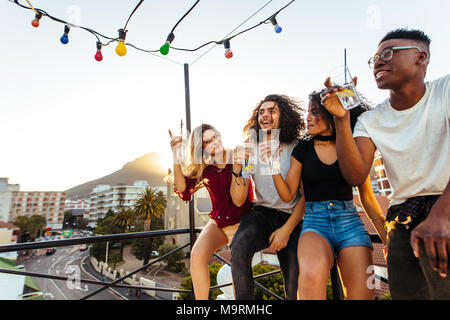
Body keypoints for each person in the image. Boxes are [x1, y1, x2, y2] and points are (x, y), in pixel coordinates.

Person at [321, 28, 450, 299]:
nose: (378, 61)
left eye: (388, 53)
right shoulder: (371, 120)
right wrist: (341, 119)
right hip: (402, 218)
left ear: (420, 56)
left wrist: (442, 213)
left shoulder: (445, 90)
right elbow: (356, 175)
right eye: (375, 58)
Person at [270, 91, 387, 299]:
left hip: (351, 223)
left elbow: (367, 198)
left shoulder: (350, 146)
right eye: (308, 112)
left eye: (314, 112)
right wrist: (272, 165)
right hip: (315, 224)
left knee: (363, 294)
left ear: (333, 112)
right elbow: (288, 194)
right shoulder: (303, 149)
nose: (308, 117)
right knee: (311, 275)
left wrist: (387, 239)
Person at [230, 94, 306, 300]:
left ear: (285, 116)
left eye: (272, 110)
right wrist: (237, 169)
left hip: (292, 216)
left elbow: (304, 198)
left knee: (294, 283)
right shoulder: (251, 146)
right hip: (262, 213)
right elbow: (238, 199)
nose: (265, 115)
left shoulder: (297, 146)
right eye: (261, 112)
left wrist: (286, 230)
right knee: (237, 248)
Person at [169, 123, 253, 300]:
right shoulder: (205, 168)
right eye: (208, 141)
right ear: (202, 147)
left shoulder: (237, 155)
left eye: (216, 137)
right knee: (197, 256)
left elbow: (242, 197)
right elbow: (183, 190)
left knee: (239, 267)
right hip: (219, 222)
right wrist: (176, 155)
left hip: (245, 221)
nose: (215, 142)